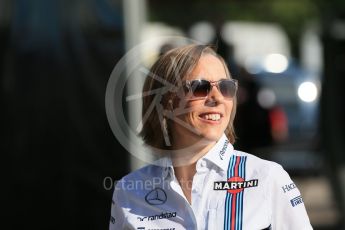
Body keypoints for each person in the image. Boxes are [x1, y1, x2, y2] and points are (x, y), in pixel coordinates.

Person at [109, 44, 313, 230]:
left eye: (226, 87)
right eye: (200, 87)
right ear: (165, 102)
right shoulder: (128, 190)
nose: (216, 98)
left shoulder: (268, 178)